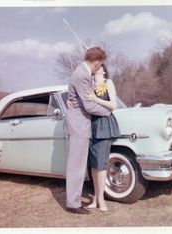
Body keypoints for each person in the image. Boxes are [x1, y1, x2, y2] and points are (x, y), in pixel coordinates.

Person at [65, 47, 111, 215]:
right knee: (76, 166)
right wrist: (109, 111)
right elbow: (89, 105)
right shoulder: (82, 75)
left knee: (78, 165)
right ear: (96, 61)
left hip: (81, 123)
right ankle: (73, 203)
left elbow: (74, 97)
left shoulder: (81, 73)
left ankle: (74, 200)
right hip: (79, 125)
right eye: (100, 64)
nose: (99, 68)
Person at [84, 64, 120, 212]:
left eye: (100, 65)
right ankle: (95, 197)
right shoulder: (89, 84)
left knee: (101, 164)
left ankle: (101, 199)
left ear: (104, 70)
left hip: (104, 125)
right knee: (93, 164)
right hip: (91, 126)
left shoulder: (108, 83)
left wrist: (95, 98)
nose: (96, 67)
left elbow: (113, 105)